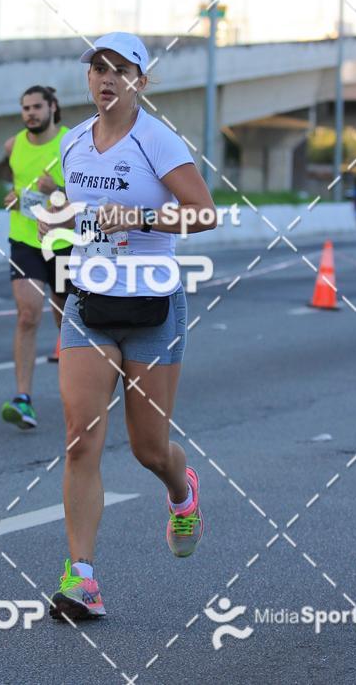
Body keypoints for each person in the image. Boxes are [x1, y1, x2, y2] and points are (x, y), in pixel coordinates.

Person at [39, 32, 217, 620]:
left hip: (152, 308)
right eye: (98, 69)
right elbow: (77, 208)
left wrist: (141, 215)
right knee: (79, 437)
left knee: (146, 447)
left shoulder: (158, 140)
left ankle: (181, 491)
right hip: (91, 305)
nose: (107, 78)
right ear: (88, 79)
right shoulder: (71, 144)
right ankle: (81, 578)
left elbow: (205, 213)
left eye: (120, 69)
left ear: (140, 80)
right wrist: (58, 218)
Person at [1, 85, 71, 429]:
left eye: (37, 107)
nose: (30, 113)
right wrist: (14, 198)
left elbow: (88, 198)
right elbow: (18, 188)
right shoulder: (13, 146)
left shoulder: (73, 144)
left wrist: (56, 191)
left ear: (52, 107)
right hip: (25, 239)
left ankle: (81, 391)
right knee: (27, 314)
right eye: (25, 107)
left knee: (66, 321)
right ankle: (23, 399)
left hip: (63, 241)